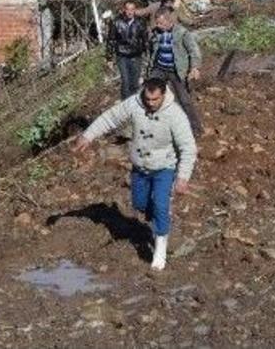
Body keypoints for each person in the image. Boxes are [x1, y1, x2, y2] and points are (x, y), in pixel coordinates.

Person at [73, 77, 197, 271]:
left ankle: (160, 246)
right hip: (140, 167)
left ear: (163, 95)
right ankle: (154, 217)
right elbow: (110, 117)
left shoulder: (175, 115)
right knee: (140, 204)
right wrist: (88, 135)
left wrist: (183, 178)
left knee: (161, 205)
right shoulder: (134, 104)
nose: (150, 103)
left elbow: (188, 147)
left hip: (164, 167)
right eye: (148, 99)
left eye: (155, 100)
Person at [146, 8, 204, 137]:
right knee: (150, 96)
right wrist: (147, 72)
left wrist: (195, 67)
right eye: (157, 23)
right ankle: (154, 128)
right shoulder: (155, 33)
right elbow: (150, 53)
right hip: (159, 68)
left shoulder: (182, 33)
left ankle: (196, 129)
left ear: (168, 21)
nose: (158, 26)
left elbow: (194, 51)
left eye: (160, 23)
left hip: (176, 70)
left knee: (184, 100)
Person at [106, 0, 149, 100]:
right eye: (128, 9)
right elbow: (111, 40)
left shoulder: (140, 22)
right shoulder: (116, 22)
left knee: (135, 83)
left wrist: (147, 53)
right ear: (124, 10)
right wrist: (109, 58)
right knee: (125, 82)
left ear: (135, 10)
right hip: (122, 56)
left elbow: (145, 39)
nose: (130, 12)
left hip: (136, 55)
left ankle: (134, 104)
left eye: (132, 9)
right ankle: (125, 106)